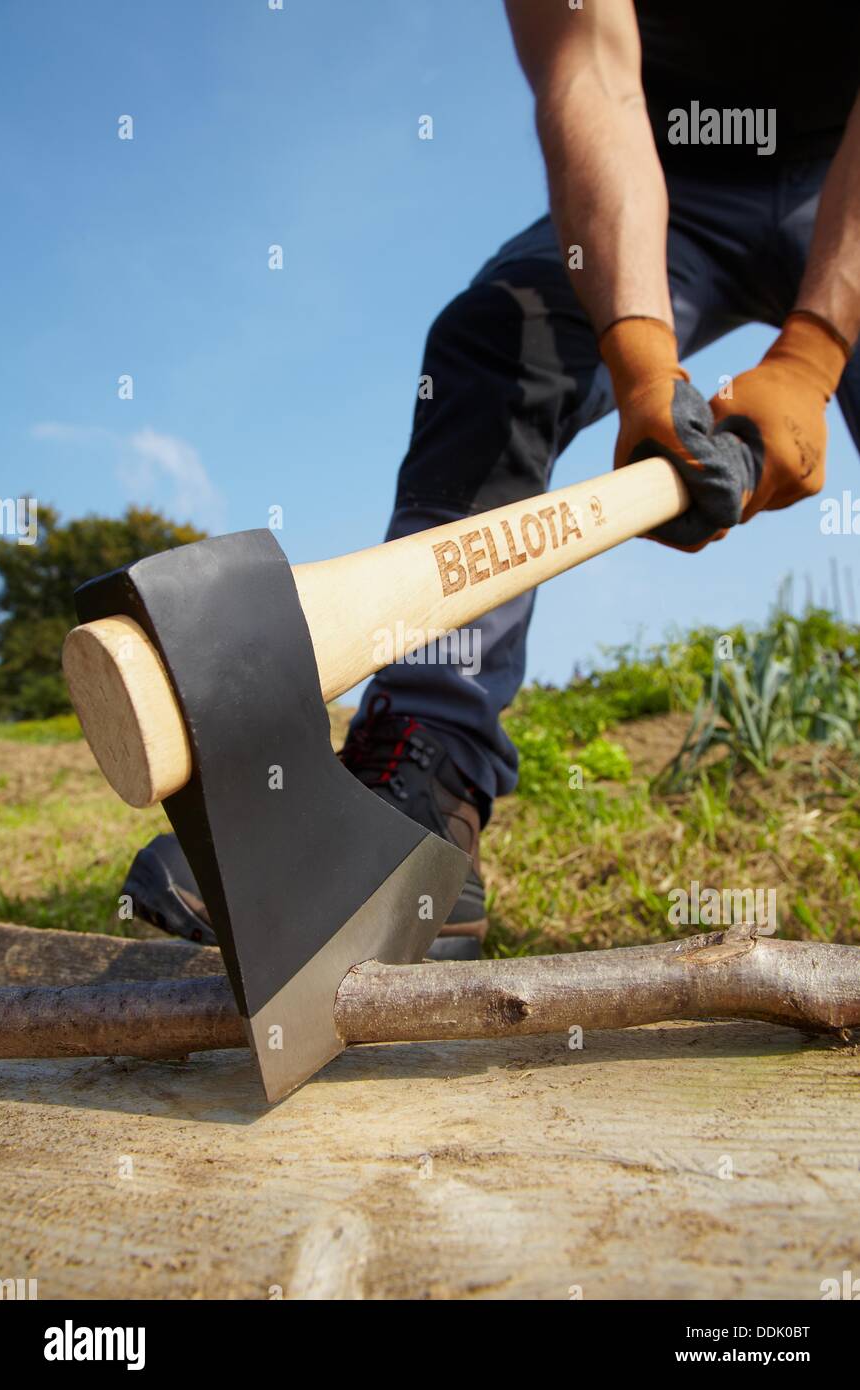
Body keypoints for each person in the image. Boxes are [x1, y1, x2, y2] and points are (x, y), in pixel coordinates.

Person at [125, 0, 860, 959]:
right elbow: (593, 77)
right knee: (496, 346)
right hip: (670, 175)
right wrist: (642, 361)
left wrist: (811, 353)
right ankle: (419, 795)